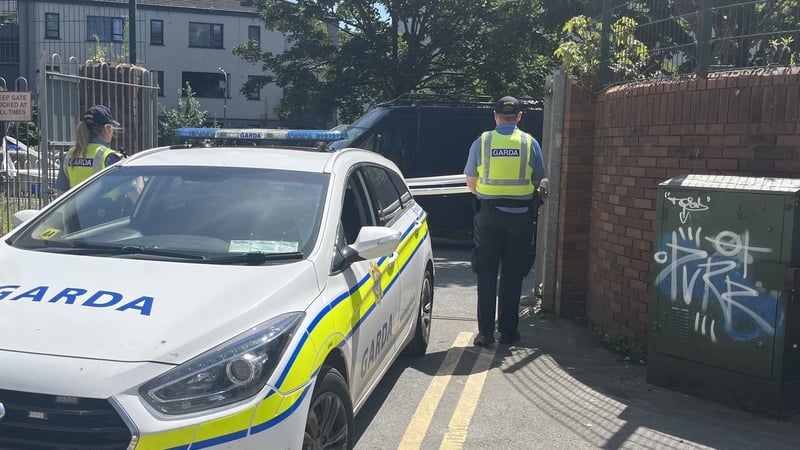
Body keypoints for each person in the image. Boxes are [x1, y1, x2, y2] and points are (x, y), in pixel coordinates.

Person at [463, 96, 545, 346]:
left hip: (489, 216)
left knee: (486, 274)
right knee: (512, 275)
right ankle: (508, 332)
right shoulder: (530, 143)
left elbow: (470, 181)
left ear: (495, 116)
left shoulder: (483, 141)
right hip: (520, 219)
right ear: (519, 117)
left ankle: (485, 333)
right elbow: (537, 181)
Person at [55, 105, 142, 201]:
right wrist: (138, 175)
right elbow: (136, 197)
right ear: (107, 129)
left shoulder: (69, 155)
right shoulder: (111, 158)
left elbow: (61, 193)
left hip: (78, 213)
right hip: (109, 213)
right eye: (112, 127)